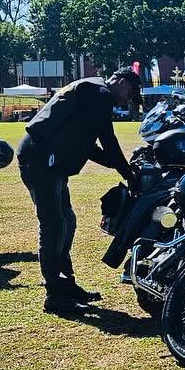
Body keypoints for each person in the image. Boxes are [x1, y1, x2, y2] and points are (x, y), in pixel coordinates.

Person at [18, 68, 140, 314]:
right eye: (129, 94)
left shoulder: (91, 91)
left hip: (48, 160)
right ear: (121, 82)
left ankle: (66, 285)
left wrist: (122, 166)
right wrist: (127, 173)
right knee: (53, 227)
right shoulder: (100, 93)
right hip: (41, 159)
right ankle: (54, 295)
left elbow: (86, 145)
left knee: (67, 222)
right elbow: (107, 138)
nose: (127, 101)